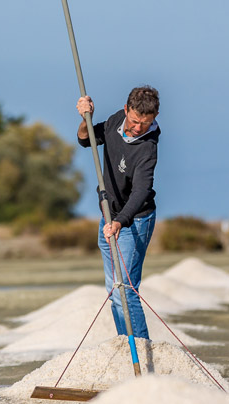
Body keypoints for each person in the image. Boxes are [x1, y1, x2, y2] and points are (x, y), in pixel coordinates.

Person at [76, 86, 160, 340]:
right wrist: (85, 118)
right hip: (109, 217)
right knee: (114, 290)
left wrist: (120, 222)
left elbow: (141, 191)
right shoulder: (115, 120)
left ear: (155, 117)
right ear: (126, 111)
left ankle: (141, 350)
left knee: (126, 289)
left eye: (145, 123)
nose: (138, 128)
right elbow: (85, 139)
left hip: (134, 220)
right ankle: (125, 344)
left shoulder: (147, 147)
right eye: (135, 121)